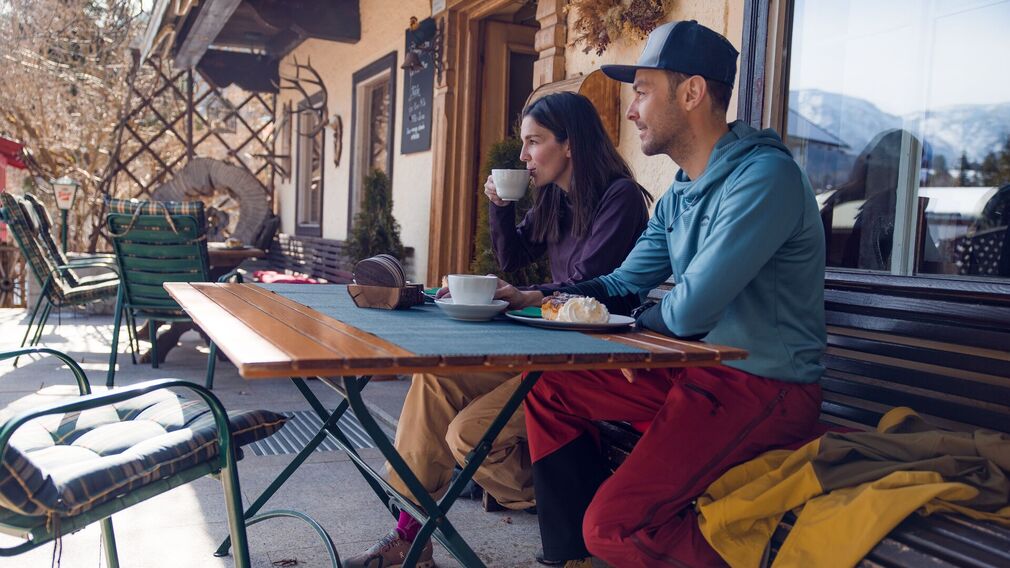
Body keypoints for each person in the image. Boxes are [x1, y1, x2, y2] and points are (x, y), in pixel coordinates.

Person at [493, 20, 827, 567]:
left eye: (643, 93)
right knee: (552, 388)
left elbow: (691, 307)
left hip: (764, 386)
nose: (630, 111)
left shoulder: (764, 179)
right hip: (697, 373)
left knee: (615, 528)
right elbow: (624, 284)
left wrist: (633, 332)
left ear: (692, 93)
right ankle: (569, 556)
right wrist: (540, 300)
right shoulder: (681, 193)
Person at [345, 91, 653, 568]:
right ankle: (411, 531)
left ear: (569, 145)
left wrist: (527, 295)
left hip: (592, 363)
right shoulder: (555, 199)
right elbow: (512, 259)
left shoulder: (620, 198)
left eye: (534, 142)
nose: (525, 156)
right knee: (437, 378)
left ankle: (583, 503)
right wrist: (501, 206)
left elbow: (587, 283)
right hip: (542, 348)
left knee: (469, 435)